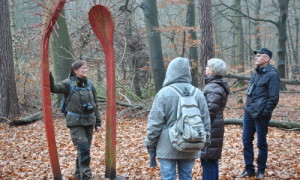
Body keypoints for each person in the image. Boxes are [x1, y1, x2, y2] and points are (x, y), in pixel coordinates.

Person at [144, 57, 211, 180]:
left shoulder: (163, 94)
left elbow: (155, 123)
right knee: (186, 176)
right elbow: (205, 120)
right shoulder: (198, 93)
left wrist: (150, 144)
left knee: (168, 177)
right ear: (188, 73)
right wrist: (205, 140)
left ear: (170, 72)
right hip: (191, 142)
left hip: (167, 144)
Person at [50, 60, 101, 180]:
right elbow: (54, 88)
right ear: (75, 70)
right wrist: (49, 76)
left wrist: (98, 122)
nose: (86, 70)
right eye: (83, 68)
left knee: (84, 150)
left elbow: (95, 104)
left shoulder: (90, 84)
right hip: (75, 122)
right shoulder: (68, 83)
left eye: (86, 68)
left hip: (89, 121)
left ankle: (77, 175)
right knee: (84, 150)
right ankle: (87, 177)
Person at [237, 48, 280, 179]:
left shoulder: (272, 75)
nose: (256, 58)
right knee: (246, 141)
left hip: (261, 115)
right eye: (256, 56)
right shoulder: (256, 73)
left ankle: (261, 170)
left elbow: (274, 98)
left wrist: (264, 113)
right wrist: (247, 108)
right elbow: (251, 93)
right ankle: (249, 169)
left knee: (261, 143)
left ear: (267, 59)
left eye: (259, 56)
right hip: (249, 113)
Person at [200, 58, 230, 180]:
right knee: (211, 160)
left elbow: (209, 111)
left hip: (211, 128)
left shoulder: (213, 87)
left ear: (213, 70)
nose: (205, 68)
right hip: (215, 126)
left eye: (208, 66)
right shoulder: (216, 85)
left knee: (208, 159)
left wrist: (200, 125)